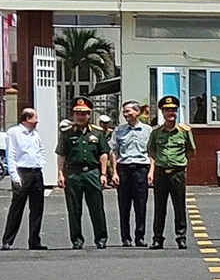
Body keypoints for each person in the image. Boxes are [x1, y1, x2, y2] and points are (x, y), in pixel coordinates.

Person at [55, 98, 110, 250]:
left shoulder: (98, 133)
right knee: (74, 209)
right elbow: (61, 155)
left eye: (84, 114)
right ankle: (77, 240)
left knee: (97, 207)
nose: (81, 117)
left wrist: (104, 174)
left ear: (89, 114)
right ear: (73, 114)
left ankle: (101, 238)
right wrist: (60, 174)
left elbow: (103, 154)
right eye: (78, 113)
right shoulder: (66, 133)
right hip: (73, 173)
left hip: (92, 172)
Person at [147, 96, 195, 249]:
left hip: (177, 173)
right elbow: (151, 150)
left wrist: (178, 162)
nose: (171, 113)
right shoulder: (156, 132)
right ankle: (157, 238)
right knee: (159, 207)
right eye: (167, 110)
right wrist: (162, 161)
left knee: (179, 206)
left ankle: (181, 237)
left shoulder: (184, 131)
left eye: (173, 110)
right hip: (161, 172)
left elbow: (191, 151)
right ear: (162, 112)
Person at [4, 109, 48, 250]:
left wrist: (41, 163)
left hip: (36, 172)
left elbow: (41, 150)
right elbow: (10, 155)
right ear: (27, 118)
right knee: (17, 208)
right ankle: (8, 240)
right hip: (22, 172)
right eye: (35, 118)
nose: (37, 121)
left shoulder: (35, 134)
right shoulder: (14, 133)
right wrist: (14, 176)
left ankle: (34, 240)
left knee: (37, 208)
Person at [111, 102, 152, 247]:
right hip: (124, 169)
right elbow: (114, 152)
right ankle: (125, 237)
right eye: (124, 111)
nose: (125, 114)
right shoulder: (119, 131)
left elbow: (152, 153)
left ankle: (140, 236)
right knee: (124, 205)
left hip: (141, 169)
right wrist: (114, 172)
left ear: (137, 112)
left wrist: (151, 172)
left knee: (141, 205)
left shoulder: (148, 130)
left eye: (128, 111)